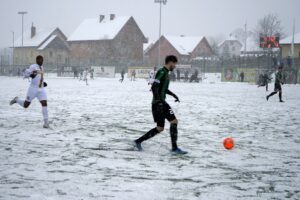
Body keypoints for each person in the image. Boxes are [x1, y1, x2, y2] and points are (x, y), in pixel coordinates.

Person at [134, 55, 187, 154]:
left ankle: (138, 141)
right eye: (174, 64)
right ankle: (174, 148)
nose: (175, 66)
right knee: (174, 121)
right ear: (170, 62)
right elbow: (154, 86)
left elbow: (164, 89)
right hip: (159, 103)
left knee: (160, 128)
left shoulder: (166, 73)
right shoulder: (162, 72)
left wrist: (174, 95)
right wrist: (159, 101)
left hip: (159, 103)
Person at [9, 55, 49, 128]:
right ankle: (16, 100)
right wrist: (30, 75)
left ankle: (46, 123)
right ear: (37, 60)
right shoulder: (33, 66)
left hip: (41, 89)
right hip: (33, 89)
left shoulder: (42, 67)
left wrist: (43, 82)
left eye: (42, 60)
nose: (41, 61)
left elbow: (39, 77)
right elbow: (26, 73)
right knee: (26, 105)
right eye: (40, 60)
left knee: (44, 103)